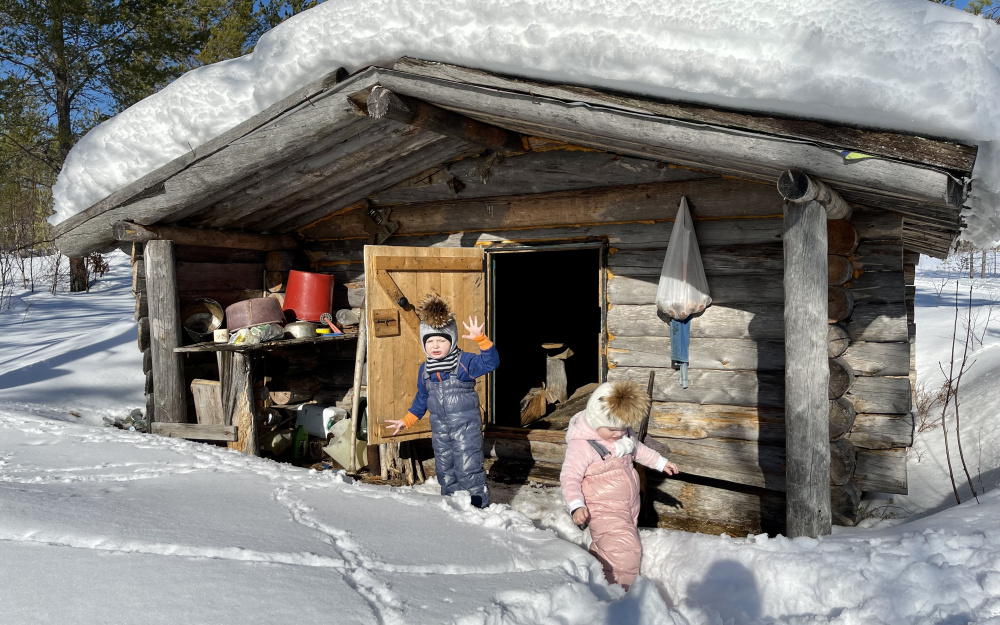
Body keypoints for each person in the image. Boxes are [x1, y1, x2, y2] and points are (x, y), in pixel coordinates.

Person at [559, 380, 679, 590]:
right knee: (624, 552)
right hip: (603, 508)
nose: (618, 434)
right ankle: (623, 594)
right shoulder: (583, 446)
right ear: (596, 421)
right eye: (612, 429)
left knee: (608, 550)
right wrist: (576, 505)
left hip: (627, 506)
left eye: (622, 429)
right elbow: (570, 477)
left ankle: (600, 584)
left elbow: (638, 450)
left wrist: (661, 463)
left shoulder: (624, 436)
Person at [383, 293, 498, 508]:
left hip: (465, 428)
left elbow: (490, 363)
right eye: (431, 341)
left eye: (442, 340)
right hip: (440, 429)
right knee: (445, 469)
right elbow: (422, 398)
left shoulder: (464, 362)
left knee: (468, 467)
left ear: (452, 340)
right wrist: (406, 421)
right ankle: (452, 506)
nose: (435, 346)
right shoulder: (425, 369)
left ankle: (479, 507)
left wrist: (482, 340)